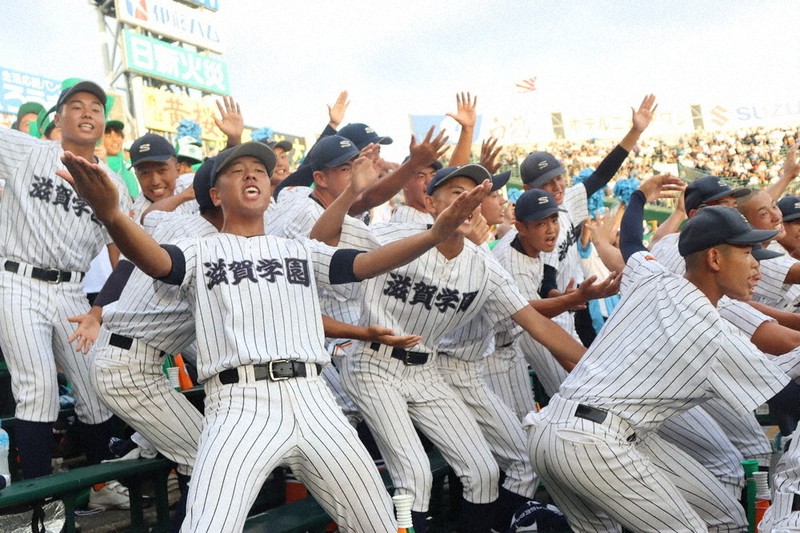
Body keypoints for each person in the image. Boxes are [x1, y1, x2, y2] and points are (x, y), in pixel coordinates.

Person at [58, 140, 493, 532]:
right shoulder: (199, 248)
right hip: (240, 404)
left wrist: (435, 234)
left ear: (269, 189)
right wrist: (112, 213)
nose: (251, 174)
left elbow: (367, 262)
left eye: (260, 170)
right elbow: (154, 260)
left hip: (314, 398)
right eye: (237, 169)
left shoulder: (298, 249)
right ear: (215, 194)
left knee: (376, 522)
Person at [310, 163, 586, 532]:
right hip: (373, 366)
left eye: (476, 194)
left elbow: (536, 324)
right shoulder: (394, 232)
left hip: (426, 370)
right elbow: (321, 237)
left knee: (484, 471)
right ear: (430, 201)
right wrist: (350, 194)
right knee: (415, 474)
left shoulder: (483, 265)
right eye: (457, 193)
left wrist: (591, 368)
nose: (468, 201)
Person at [526, 175, 793, 532]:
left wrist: (638, 196)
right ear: (714, 258)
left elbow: (632, 241)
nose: (756, 263)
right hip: (593, 442)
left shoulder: (655, 276)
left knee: (726, 519)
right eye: (746, 253)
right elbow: (789, 399)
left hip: (558, 433)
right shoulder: (710, 331)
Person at [0, 80, 132, 482]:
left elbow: (126, 259)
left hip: (73, 292)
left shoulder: (115, 185)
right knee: (38, 390)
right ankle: (39, 500)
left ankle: (101, 487)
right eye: (76, 105)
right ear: (58, 119)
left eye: (96, 106)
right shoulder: (28, 151)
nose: (87, 112)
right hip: (18, 280)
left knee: (96, 393)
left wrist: (98, 311)